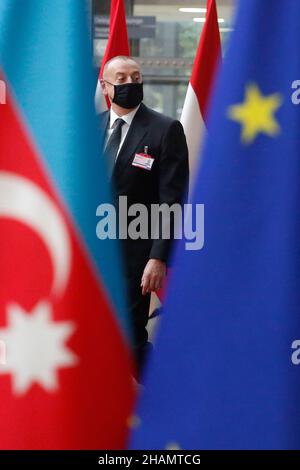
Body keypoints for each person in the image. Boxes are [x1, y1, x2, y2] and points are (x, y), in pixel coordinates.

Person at [99, 56, 189, 377]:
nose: (130, 85)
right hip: (91, 253)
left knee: (131, 337)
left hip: (136, 256)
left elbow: (173, 199)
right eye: (120, 79)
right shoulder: (86, 129)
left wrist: (158, 258)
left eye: (135, 78)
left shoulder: (165, 130)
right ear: (105, 86)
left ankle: (161, 400)